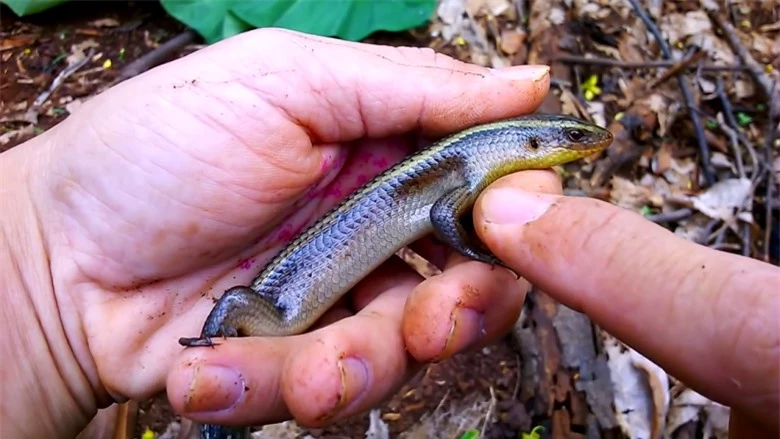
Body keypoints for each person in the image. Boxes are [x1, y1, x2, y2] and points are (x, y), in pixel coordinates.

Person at [0, 28, 776, 439]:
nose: (577, 145)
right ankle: (209, 351)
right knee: (237, 314)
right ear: (535, 146)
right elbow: (442, 216)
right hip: (277, 300)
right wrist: (473, 245)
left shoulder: (471, 160)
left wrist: (43, 291)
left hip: (290, 302)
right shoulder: (465, 167)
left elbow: (445, 210)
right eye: (567, 139)